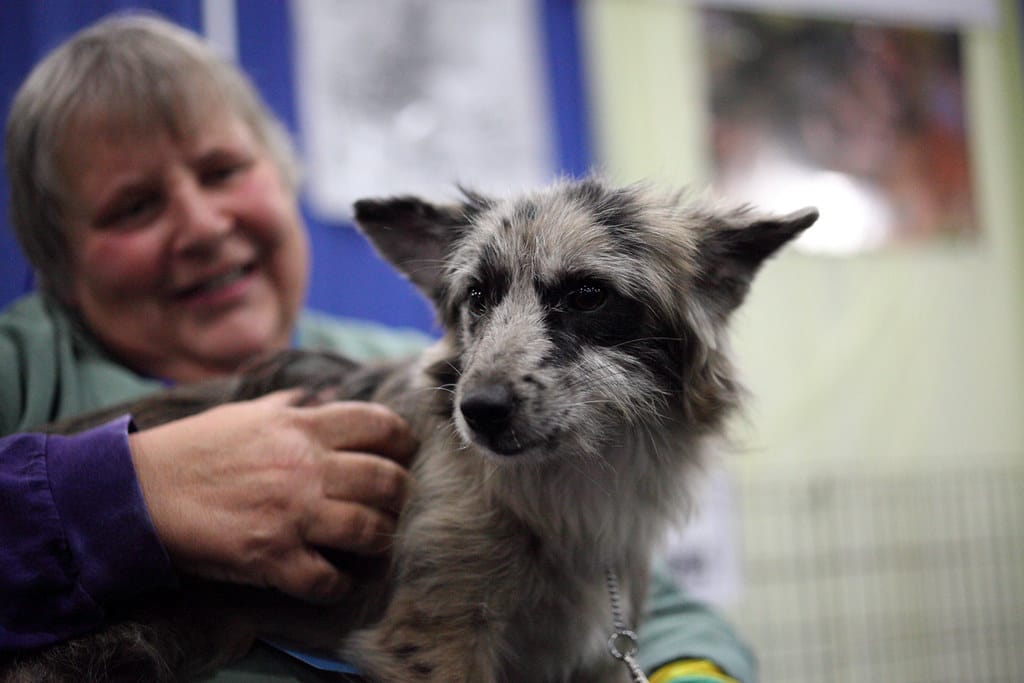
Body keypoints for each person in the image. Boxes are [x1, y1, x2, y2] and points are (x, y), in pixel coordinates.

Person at [0, 12, 755, 683]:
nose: (200, 225)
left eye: (223, 170)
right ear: (57, 258)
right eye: (134, 206)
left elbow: (642, 604)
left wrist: (691, 669)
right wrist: (121, 494)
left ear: (283, 175)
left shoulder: (437, 376)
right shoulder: (18, 373)